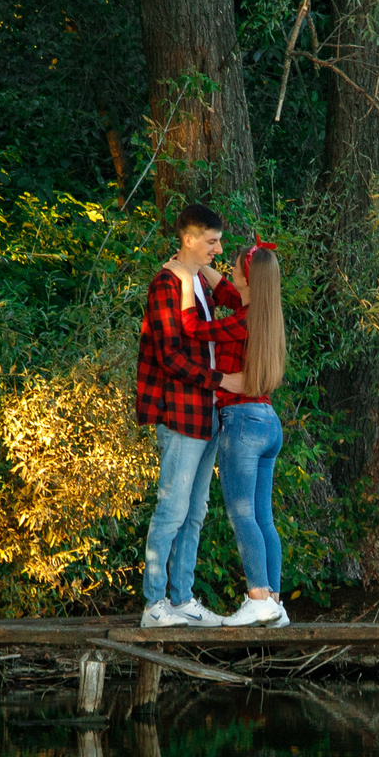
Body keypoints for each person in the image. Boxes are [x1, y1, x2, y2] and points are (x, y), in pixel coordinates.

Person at [134, 204, 231, 628]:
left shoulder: (198, 285)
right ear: (188, 239)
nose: (218, 248)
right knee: (171, 510)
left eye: (219, 240)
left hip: (208, 414)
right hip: (181, 413)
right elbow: (169, 355)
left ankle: (182, 599)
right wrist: (220, 381)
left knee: (195, 512)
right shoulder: (164, 286)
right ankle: (154, 604)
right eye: (211, 241)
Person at [207, 242, 290, 627]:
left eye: (236, 267)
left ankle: (257, 597)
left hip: (242, 422)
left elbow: (197, 331)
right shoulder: (264, 313)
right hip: (268, 421)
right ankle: (274, 601)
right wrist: (196, 269)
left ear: (249, 277)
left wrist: (218, 379)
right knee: (263, 517)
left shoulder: (242, 320)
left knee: (242, 515)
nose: (231, 270)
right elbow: (225, 290)